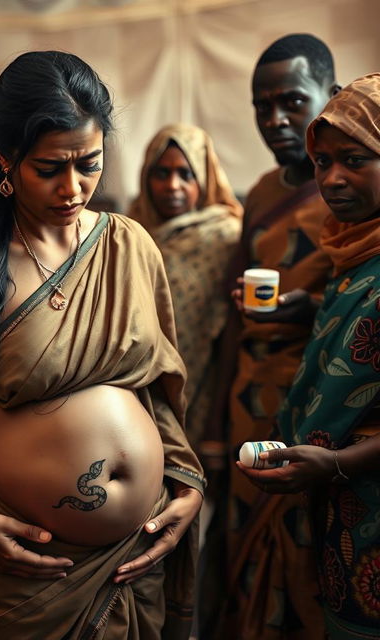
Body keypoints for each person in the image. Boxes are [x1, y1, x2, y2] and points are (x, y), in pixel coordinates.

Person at [0, 50, 204, 639]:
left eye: (90, 164)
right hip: (32, 575)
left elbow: (161, 384)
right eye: (50, 168)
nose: (73, 187)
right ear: (6, 158)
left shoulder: (129, 246)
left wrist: (186, 480)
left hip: (136, 548)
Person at [201, 34, 339, 639]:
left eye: (291, 101)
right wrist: (211, 421)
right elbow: (235, 315)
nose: (275, 119)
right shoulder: (258, 192)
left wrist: (305, 313)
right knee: (244, 539)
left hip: (319, 401)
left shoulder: (353, 192)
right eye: (262, 105)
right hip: (247, 402)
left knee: (307, 548)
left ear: (329, 97)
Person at [239, 71, 380, 640]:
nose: (333, 179)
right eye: (323, 163)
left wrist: (340, 463)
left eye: (356, 160)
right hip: (339, 522)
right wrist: (311, 307)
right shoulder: (354, 250)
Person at [128, 123, 243, 452]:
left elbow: (229, 330)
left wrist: (216, 422)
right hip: (138, 384)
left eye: (185, 174)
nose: (172, 186)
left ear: (204, 178)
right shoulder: (130, 231)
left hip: (204, 386)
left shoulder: (225, 236)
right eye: (161, 173)